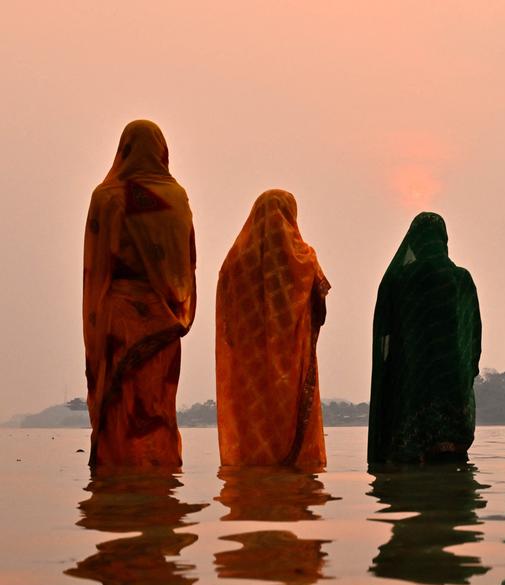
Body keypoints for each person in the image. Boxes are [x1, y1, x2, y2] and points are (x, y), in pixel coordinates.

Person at [83, 120, 196, 469]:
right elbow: (186, 261)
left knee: (120, 399)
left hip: (119, 316)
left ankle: (117, 472)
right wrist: (178, 305)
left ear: (124, 150)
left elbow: (96, 267)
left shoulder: (107, 196)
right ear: (162, 151)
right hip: (164, 316)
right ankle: (159, 471)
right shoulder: (175, 198)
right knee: (157, 399)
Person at [216, 189, 330, 467]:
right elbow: (320, 309)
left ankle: (253, 475)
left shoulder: (234, 261)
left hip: (248, 366)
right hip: (290, 364)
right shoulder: (303, 258)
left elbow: (227, 320)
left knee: (255, 422)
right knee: (287, 418)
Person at [368, 212, 481, 463]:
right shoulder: (461, 279)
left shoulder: (399, 280)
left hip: (412, 385)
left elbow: (387, 333)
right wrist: (468, 369)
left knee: (415, 464)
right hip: (454, 385)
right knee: (454, 468)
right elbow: (474, 334)